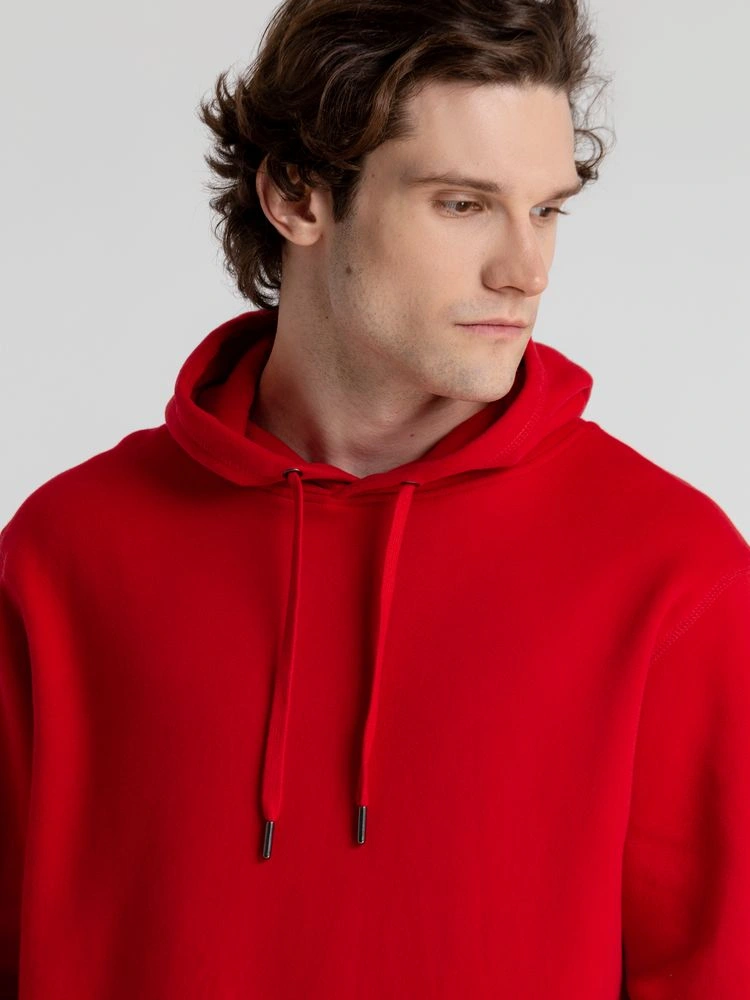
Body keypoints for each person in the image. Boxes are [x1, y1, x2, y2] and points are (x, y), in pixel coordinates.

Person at [1, 0, 748, 996]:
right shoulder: (68, 554)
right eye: (463, 204)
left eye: (547, 209)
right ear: (296, 194)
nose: (525, 270)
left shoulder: (671, 572)